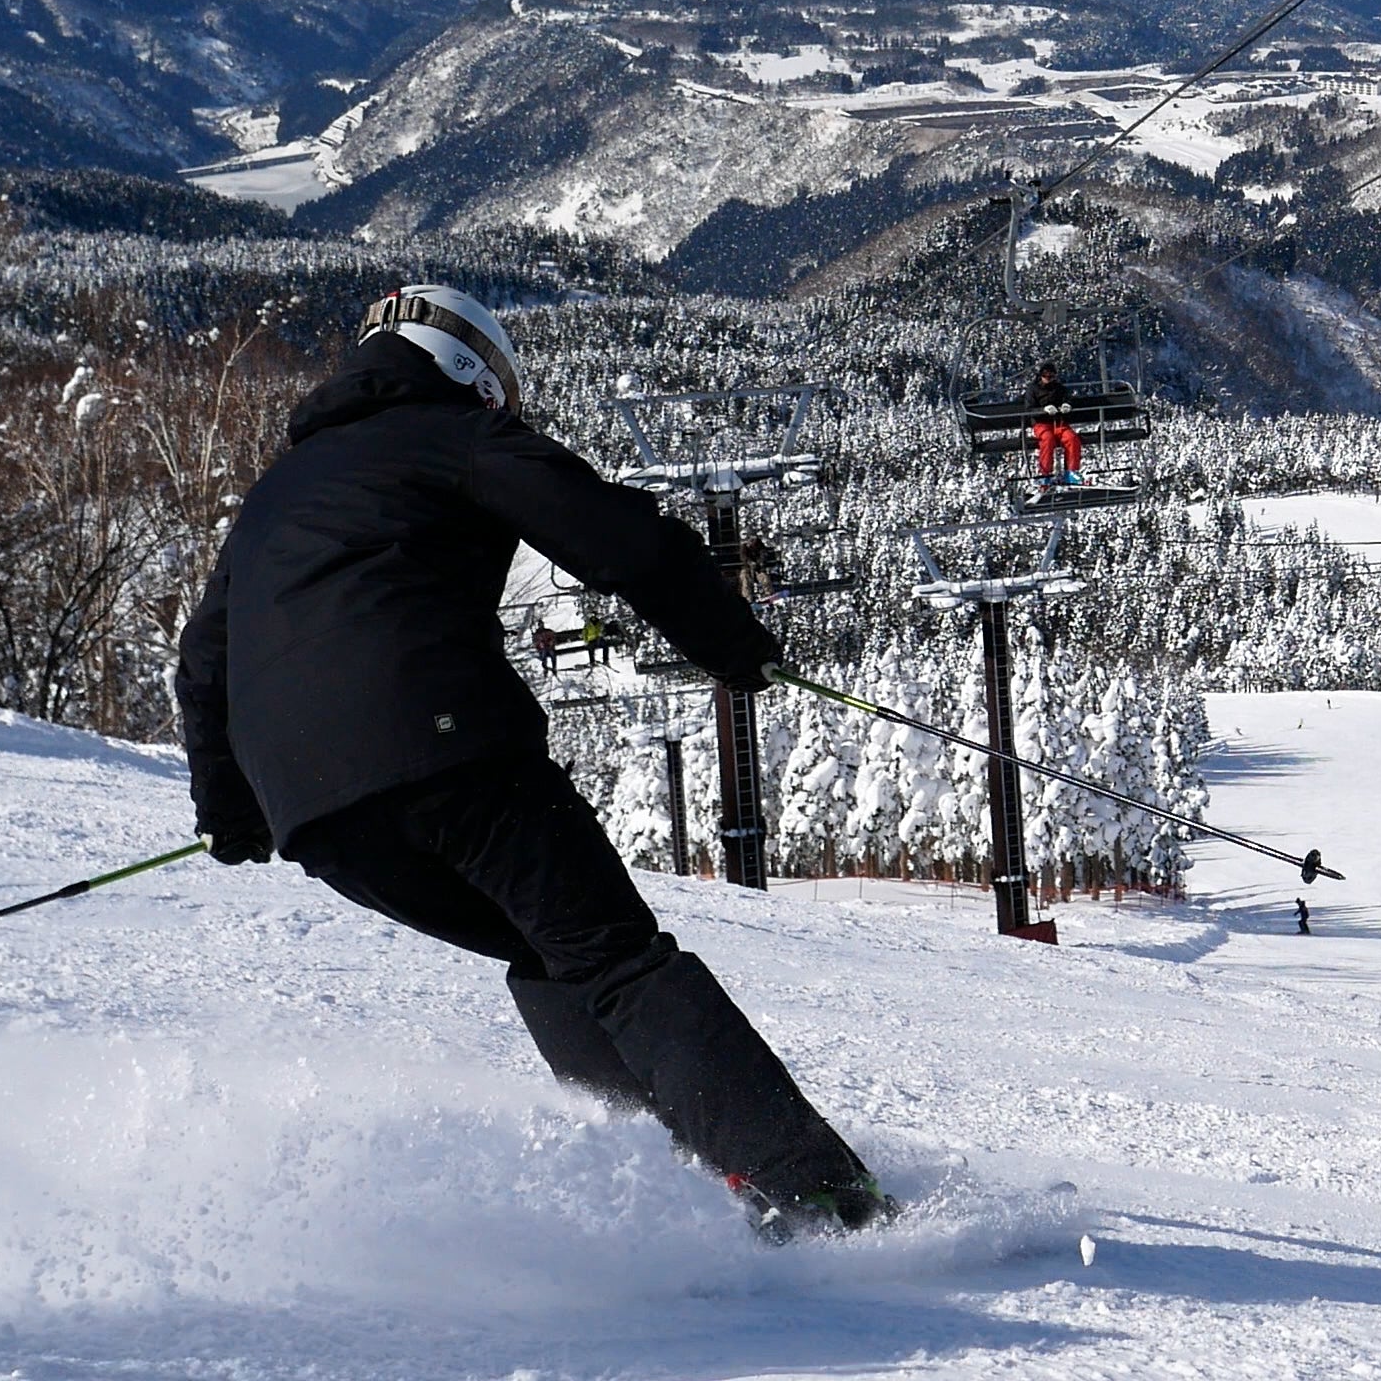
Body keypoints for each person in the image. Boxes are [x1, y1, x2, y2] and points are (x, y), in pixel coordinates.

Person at [175, 283, 893, 1241]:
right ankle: (820, 1201)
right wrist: (733, 646)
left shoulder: (277, 491)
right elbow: (621, 538)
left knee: (550, 953)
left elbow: (204, 659)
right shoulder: (450, 432)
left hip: (319, 818)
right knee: (616, 959)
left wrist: (235, 810)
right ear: (472, 373)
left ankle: (667, 1191)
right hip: (447, 755)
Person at [1028, 362, 1085, 485]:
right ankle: (1045, 474)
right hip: (1041, 424)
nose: (1048, 379)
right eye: (1046, 376)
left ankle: (1071, 471)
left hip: (1059, 423)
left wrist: (1067, 405)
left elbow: (1068, 398)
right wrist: (1043, 410)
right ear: (1041, 376)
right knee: (1047, 440)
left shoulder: (1059, 388)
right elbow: (1029, 409)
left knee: (1072, 438)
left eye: (1051, 376)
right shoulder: (1033, 390)